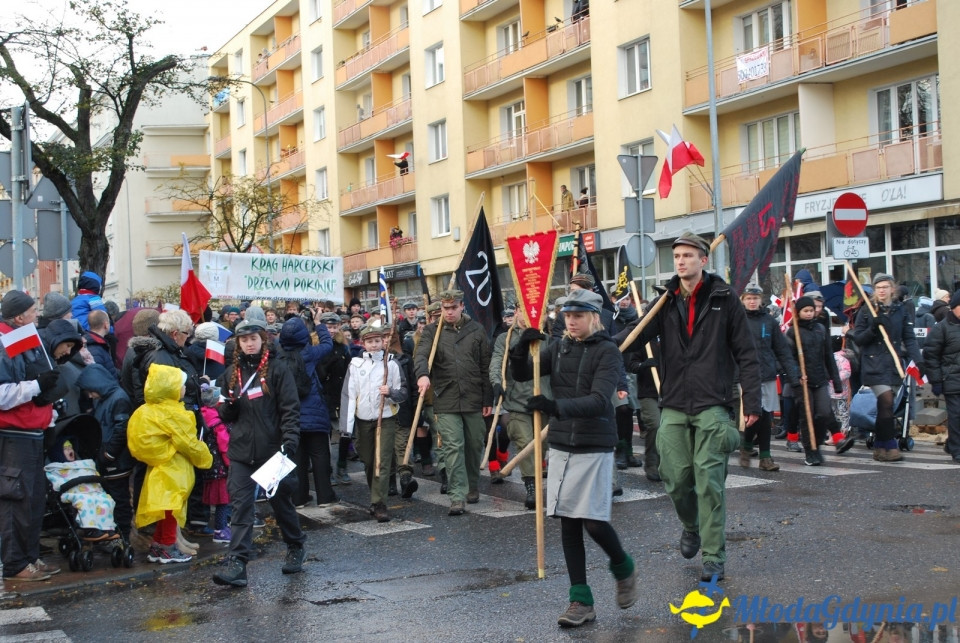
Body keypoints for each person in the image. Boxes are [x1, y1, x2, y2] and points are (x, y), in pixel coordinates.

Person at [615, 232, 761, 582]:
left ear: (703, 260)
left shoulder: (725, 300)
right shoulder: (665, 300)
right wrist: (601, 351)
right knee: (675, 476)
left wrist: (752, 400)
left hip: (713, 403)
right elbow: (635, 336)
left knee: (709, 481)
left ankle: (713, 557)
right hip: (675, 402)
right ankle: (691, 526)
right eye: (676, 256)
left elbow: (746, 353)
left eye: (687, 255)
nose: (680, 261)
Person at [511, 289, 637, 627]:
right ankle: (580, 601)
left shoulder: (608, 351)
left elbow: (599, 401)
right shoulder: (561, 346)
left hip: (594, 442)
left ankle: (623, 566)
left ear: (593, 317)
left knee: (593, 521)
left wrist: (554, 407)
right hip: (563, 442)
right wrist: (521, 348)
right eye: (567, 315)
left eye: (578, 315)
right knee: (568, 522)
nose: (571, 321)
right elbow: (523, 374)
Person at [213, 319, 306, 587]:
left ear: (262, 339)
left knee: (280, 503)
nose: (249, 343)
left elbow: (290, 408)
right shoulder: (232, 372)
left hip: (272, 450)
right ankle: (237, 563)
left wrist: (289, 442)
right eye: (244, 340)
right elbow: (226, 413)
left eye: (253, 338)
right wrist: (227, 405)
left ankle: (296, 545)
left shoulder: (278, 369)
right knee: (241, 507)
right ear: (238, 344)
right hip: (242, 451)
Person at [0, 290, 66, 582]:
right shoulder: (4, 342)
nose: (37, 315)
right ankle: (15, 564)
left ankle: (30, 557)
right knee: (17, 501)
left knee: (34, 500)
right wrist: (38, 386)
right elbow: (2, 394)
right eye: (33, 311)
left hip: (31, 431)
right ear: (18, 317)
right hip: (14, 434)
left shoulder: (20, 338)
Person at [414, 290, 492, 516]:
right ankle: (457, 495)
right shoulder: (432, 331)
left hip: (473, 396)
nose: (449, 312)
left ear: (461, 307)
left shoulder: (476, 330)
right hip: (446, 397)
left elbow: (485, 365)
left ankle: (472, 485)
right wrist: (422, 374)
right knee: (452, 446)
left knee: (474, 444)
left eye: (453, 307)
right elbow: (421, 356)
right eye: (445, 308)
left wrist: (488, 397)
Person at [127, 363, 212, 564]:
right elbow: (189, 443)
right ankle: (168, 546)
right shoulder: (174, 413)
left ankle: (160, 544)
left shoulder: (147, 410)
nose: (184, 389)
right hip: (172, 467)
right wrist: (206, 458)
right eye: (181, 385)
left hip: (160, 467)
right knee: (170, 508)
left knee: (168, 506)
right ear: (170, 387)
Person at [850, 273, 923, 462]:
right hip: (873, 364)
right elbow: (858, 339)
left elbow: (909, 338)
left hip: (894, 364)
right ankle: (890, 445)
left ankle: (880, 446)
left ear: (892, 288)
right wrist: (872, 328)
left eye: (885, 286)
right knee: (887, 401)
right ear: (874, 290)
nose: (881, 290)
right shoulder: (867, 310)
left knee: (886, 406)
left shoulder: (901, 310)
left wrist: (919, 360)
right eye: (878, 287)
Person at [341, 325, 407, 522]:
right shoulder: (355, 365)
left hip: (385, 418)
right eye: (370, 342)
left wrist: (391, 393)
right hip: (364, 420)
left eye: (377, 341)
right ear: (363, 343)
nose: (374, 345)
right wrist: (346, 426)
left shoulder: (391, 364)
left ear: (383, 342)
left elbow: (402, 391)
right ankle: (375, 496)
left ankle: (380, 503)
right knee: (369, 460)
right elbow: (349, 395)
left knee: (382, 460)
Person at [490, 312, 550, 509]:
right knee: (525, 444)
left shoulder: (549, 336)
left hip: (544, 400)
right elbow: (497, 361)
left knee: (542, 446)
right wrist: (497, 382)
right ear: (517, 312)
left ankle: (539, 475)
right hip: (517, 401)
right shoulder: (505, 337)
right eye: (522, 310)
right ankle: (532, 488)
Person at [278, 315, 337, 508]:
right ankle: (325, 497)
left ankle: (299, 498)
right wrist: (319, 324)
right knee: (320, 454)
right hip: (315, 412)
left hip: (290, 414)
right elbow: (328, 343)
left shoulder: (278, 357)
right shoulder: (311, 353)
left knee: (298, 457)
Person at [740, 283, 800, 471]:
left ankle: (766, 457)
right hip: (744, 376)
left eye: (755, 298)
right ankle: (747, 446)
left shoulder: (769, 322)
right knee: (751, 417)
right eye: (749, 298)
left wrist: (793, 376)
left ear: (760, 300)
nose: (752, 301)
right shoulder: (736, 321)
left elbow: (782, 350)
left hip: (766, 374)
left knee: (765, 417)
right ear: (743, 300)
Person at [76, 363, 135, 541]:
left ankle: (123, 534)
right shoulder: (108, 398)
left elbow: (121, 429)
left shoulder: (118, 399)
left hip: (116, 460)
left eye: (90, 390)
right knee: (113, 497)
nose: (90, 395)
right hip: (110, 458)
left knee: (120, 499)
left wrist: (108, 454)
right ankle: (115, 533)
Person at [785, 296, 845, 466]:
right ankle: (810, 451)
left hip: (820, 378)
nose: (810, 313)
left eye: (812, 310)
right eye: (806, 311)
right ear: (798, 313)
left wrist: (836, 381)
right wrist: (796, 375)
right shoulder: (792, 332)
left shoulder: (820, 329)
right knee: (807, 415)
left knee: (824, 412)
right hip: (803, 381)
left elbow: (828, 356)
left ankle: (817, 444)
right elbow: (787, 359)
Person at [44, 436, 119, 541]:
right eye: (65, 448)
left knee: (106, 500)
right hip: (74, 493)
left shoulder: (83, 465)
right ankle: (89, 529)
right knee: (86, 501)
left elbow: (92, 474)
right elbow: (57, 485)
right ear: (58, 452)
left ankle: (107, 528)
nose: (70, 450)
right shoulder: (55, 469)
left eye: (71, 447)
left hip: (91, 491)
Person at [922, 290, 960, 464]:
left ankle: (951, 444)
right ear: (954, 307)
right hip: (951, 379)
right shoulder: (941, 328)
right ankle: (957, 450)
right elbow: (930, 356)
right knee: (957, 415)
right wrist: (936, 381)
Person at [198, 383, 232, 543]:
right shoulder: (218, 423)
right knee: (223, 500)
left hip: (208, 464)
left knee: (215, 498)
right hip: (220, 467)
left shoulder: (202, 416)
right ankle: (220, 530)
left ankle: (212, 526)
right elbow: (224, 445)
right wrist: (230, 463)